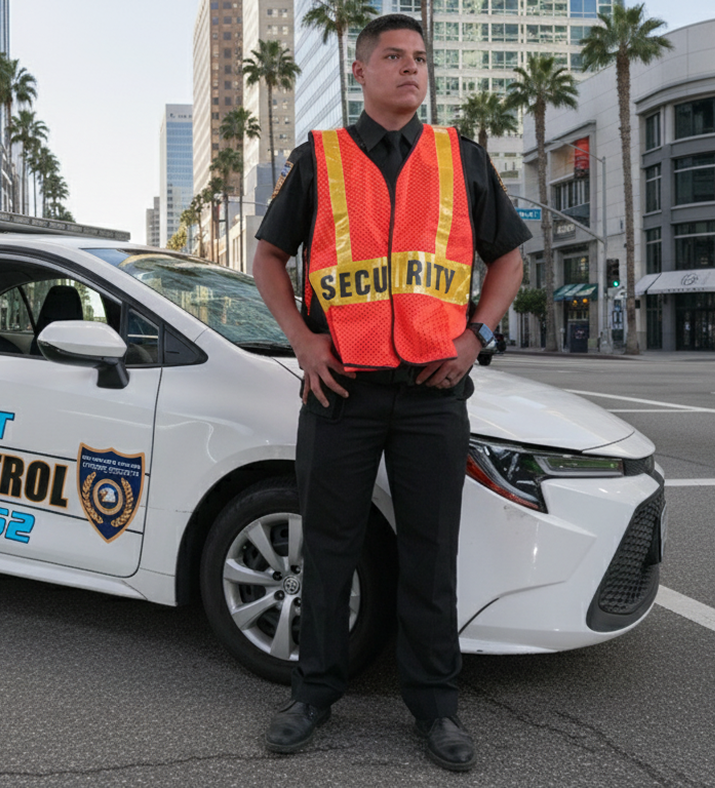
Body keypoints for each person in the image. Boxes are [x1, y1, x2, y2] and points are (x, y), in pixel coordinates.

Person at [251, 13, 530, 772]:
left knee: (430, 554)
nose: (411, 70)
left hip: (434, 391)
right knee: (329, 549)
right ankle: (314, 694)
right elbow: (269, 256)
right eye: (395, 58)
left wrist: (477, 334)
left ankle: (435, 707)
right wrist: (302, 342)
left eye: (419, 59)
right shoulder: (320, 160)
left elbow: (508, 258)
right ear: (361, 71)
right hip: (341, 389)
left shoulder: (461, 158)